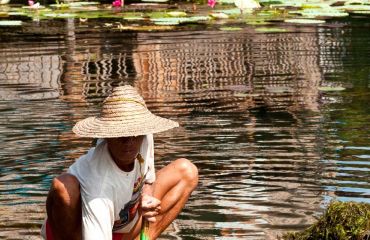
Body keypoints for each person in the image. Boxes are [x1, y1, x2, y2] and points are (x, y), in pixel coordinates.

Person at [41, 85, 198, 240]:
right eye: (120, 135)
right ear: (107, 136)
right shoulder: (99, 186)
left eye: (134, 134)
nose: (129, 142)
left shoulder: (144, 135)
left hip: (123, 226)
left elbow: (149, 177)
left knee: (186, 171)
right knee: (63, 186)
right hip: (81, 232)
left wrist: (147, 197)